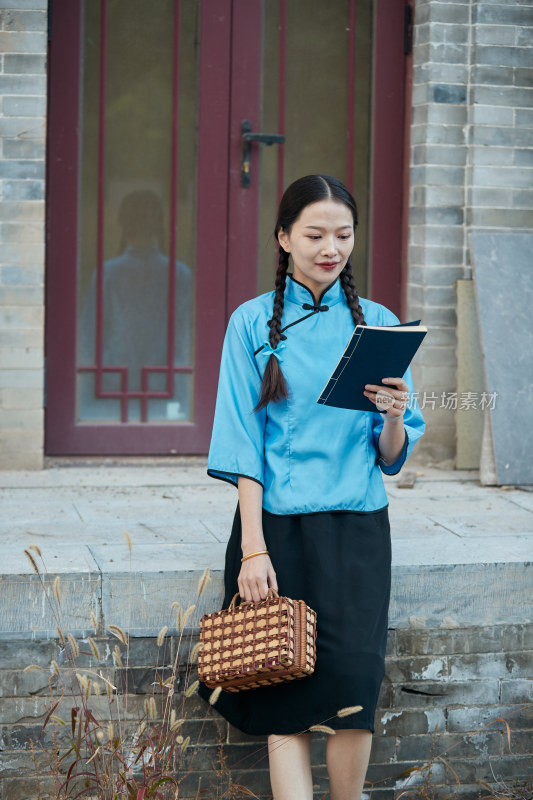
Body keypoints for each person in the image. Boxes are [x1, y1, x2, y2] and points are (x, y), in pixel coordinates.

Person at [198, 174, 425, 800]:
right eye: (316, 234)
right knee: (283, 689)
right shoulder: (251, 324)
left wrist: (394, 415)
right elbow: (242, 445)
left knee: (354, 687)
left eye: (344, 234)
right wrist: (253, 549)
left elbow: (390, 458)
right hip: (278, 530)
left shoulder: (378, 324)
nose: (332, 247)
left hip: (357, 529)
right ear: (284, 237)